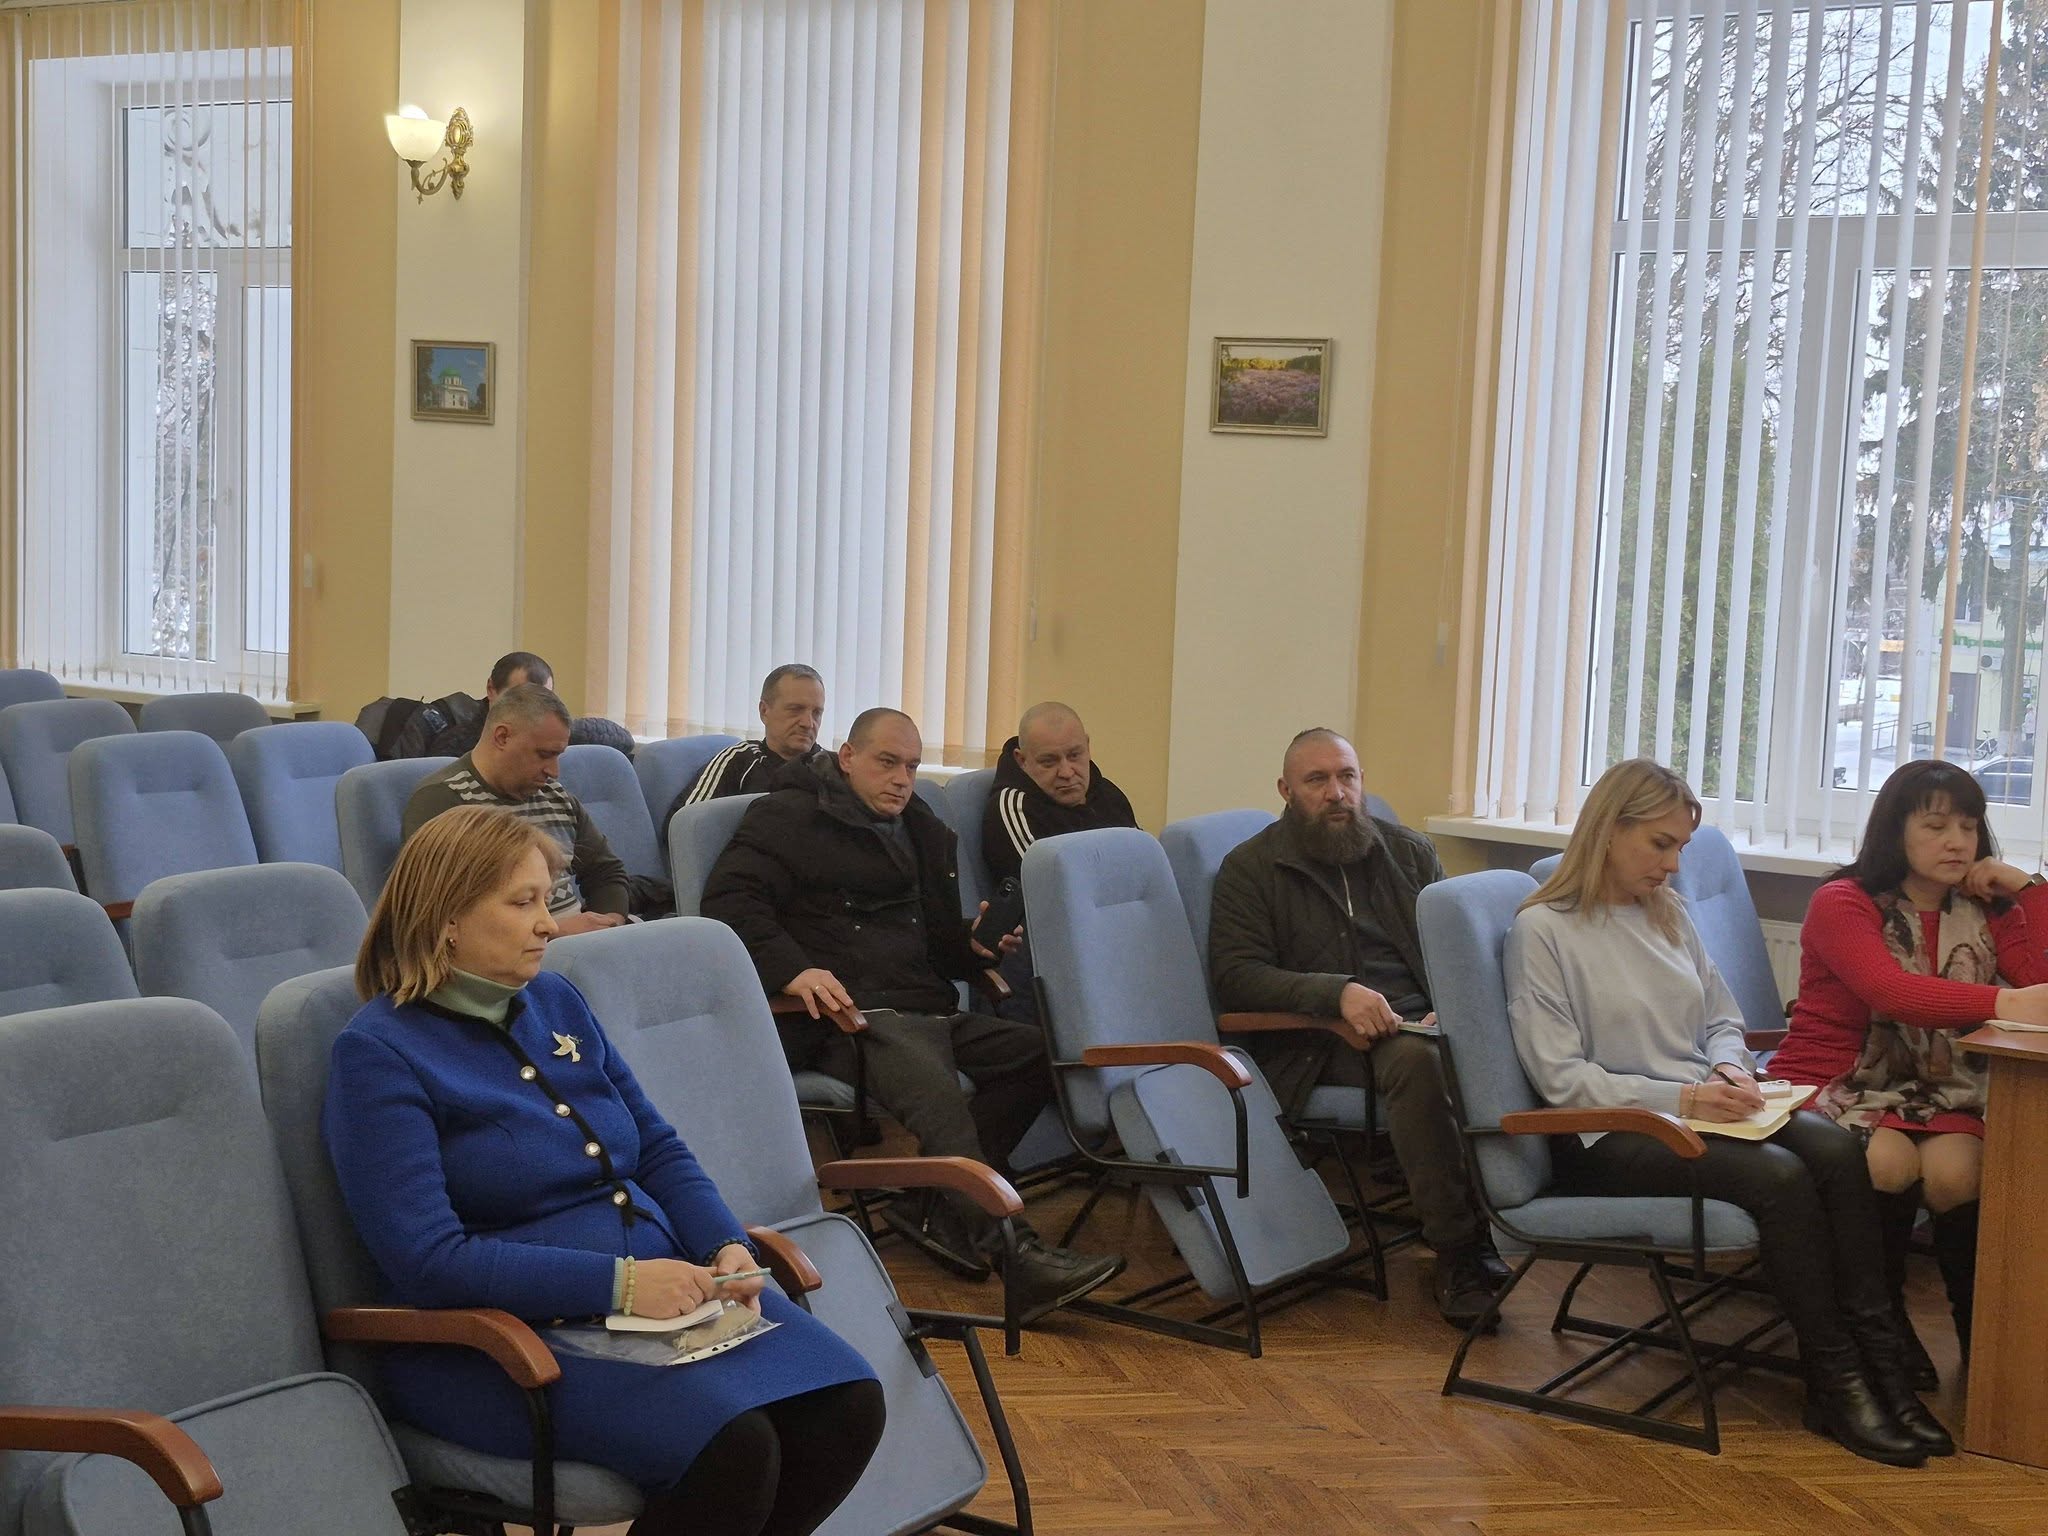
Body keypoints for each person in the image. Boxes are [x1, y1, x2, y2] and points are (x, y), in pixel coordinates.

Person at [324, 806, 886, 1536]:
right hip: (491, 1345)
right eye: (522, 903)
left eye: (545, 899)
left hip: (658, 1301)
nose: (548, 924)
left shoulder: (555, 999)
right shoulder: (378, 1053)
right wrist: (620, 1284)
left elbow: (656, 1148)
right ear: (448, 919)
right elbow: (428, 1261)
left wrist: (725, 1244)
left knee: (846, 1404)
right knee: (732, 1447)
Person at [1508, 757, 1951, 1466]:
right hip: (1608, 1130)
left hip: (1700, 1106)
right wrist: (1686, 1097)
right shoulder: (1544, 931)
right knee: (1779, 1178)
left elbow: (1722, 1020)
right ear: (1609, 830)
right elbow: (1562, 1081)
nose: (1674, 864)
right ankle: (1834, 1380)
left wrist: (1728, 1069)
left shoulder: (1668, 913)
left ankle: (1884, 1364)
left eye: (1681, 846)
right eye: (1661, 844)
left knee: (1836, 1149)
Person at [701, 706, 1125, 1319]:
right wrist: (793, 970)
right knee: (938, 1093)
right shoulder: (788, 816)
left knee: (1038, 1056)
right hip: (844, 1018)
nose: (901, 779)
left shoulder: (920, 826)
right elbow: (729, 902)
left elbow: (933, 943)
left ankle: (935, 1203)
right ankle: (1015, 1254)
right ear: (848, 757)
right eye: (887, 763)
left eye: (911, 766)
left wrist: (972, 946)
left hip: (923, 1007)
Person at [1208, 727, 1506, 1327]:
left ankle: (1525, 1221)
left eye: (1346, 777)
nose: (1336, 793)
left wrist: (1449, 1004)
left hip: (1419, 1023)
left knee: (1509, 1038)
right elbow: (1237, 977)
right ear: (1286, 790)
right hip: (1317, 1042)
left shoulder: (1410, 853)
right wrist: (1335, 993)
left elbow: (1453, 952)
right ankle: (1458, 1251)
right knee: (1420, 1063)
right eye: (1317, 780)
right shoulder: (1250, 868)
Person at [1774, 759, 2048, 1384]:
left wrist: (2028, 887)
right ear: (1894, 831)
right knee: (1891, 1164)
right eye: (1936, 826)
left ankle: (1985, 1351)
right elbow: (1890, 991)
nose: (1957, 842)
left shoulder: (1984, 907)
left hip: (1938, 1088)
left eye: (1969, 826)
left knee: (1958, 1174)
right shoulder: (1842, 901)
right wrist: (2005, 1003)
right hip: (1839, 1082)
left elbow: (2039, 976)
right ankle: (1883, 1327)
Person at [403, 683, 630, 936]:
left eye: (557, 756)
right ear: (502, 737)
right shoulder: (442, 801)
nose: (554, 771)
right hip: (511, 954)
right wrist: (554, 933)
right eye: (543, 754)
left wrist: (609, 926)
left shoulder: (555, 796)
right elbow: (442, 916)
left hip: (581, 946)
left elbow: (606, 873)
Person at [981, 702, 1138, 885]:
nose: (1066, 772)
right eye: (1049, 762)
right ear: (1022, 760)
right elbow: (1050, 890)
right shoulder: (1013, 809)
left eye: (1074, 755)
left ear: (1087, 748)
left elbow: (1145, 864)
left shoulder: (1108, 793)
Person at [672, 664, 830, 814]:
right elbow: (683, 823)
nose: (808, 723)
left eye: (816, 713)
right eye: (795, 709)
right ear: (764, 711)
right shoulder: (740, 760)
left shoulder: (832, 769)